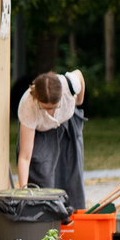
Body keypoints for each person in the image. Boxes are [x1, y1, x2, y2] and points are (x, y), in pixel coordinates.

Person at [15, 69, 87, 211]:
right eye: (45, 108)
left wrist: (79, 100)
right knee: (42, 174)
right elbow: (25, 156)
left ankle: (71, 218)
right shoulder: (28, 106)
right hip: (40, 132)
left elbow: (79, 73)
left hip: (66, 124)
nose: (50, 111)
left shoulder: (69, 85)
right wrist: (23, 191)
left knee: (72, 174)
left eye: (54, 107)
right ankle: (46, 217)